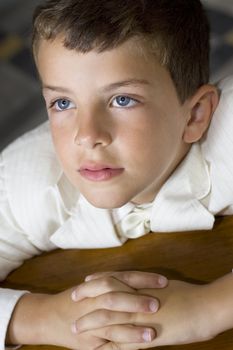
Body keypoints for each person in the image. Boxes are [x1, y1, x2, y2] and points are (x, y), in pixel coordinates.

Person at [1, 0, 233, 349]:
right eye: (63, 103)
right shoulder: (24, 184)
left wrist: (209, 309)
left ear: (196, 115)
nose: (87, 134)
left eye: (122, 99)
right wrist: (40, 319)